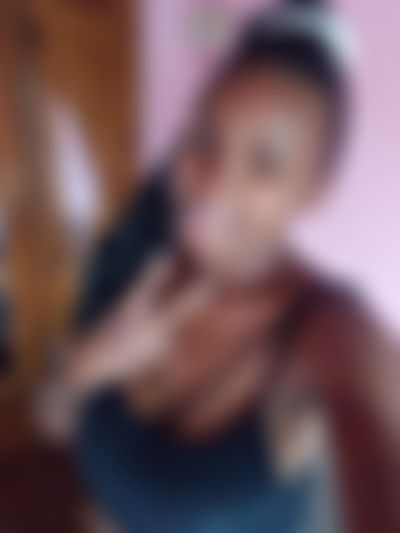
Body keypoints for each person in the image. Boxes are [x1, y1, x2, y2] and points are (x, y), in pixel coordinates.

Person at [66, 1, 399, 532]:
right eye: (204, 138)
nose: (215, 180)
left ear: (312, 192)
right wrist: (89, 363)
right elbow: (52, 414)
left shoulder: (325, 327)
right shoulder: (140, 250)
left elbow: (379, 415)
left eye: (265, 162)